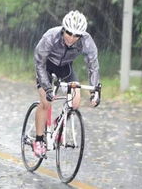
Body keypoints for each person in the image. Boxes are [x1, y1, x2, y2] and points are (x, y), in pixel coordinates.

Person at [33, 10, 101, 157]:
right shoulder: (51, 36)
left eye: (76, 35)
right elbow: (39, 63)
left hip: (65, 68)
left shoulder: (86, 40)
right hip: (45, 66)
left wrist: (95, 91)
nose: (72, 38)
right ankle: (38, 140)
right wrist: (47, 87)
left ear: (81, 35)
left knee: (75, 102)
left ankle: (58, 123)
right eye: (69, 33)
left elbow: (93, 66)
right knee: (45, 102)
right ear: (64, 29)